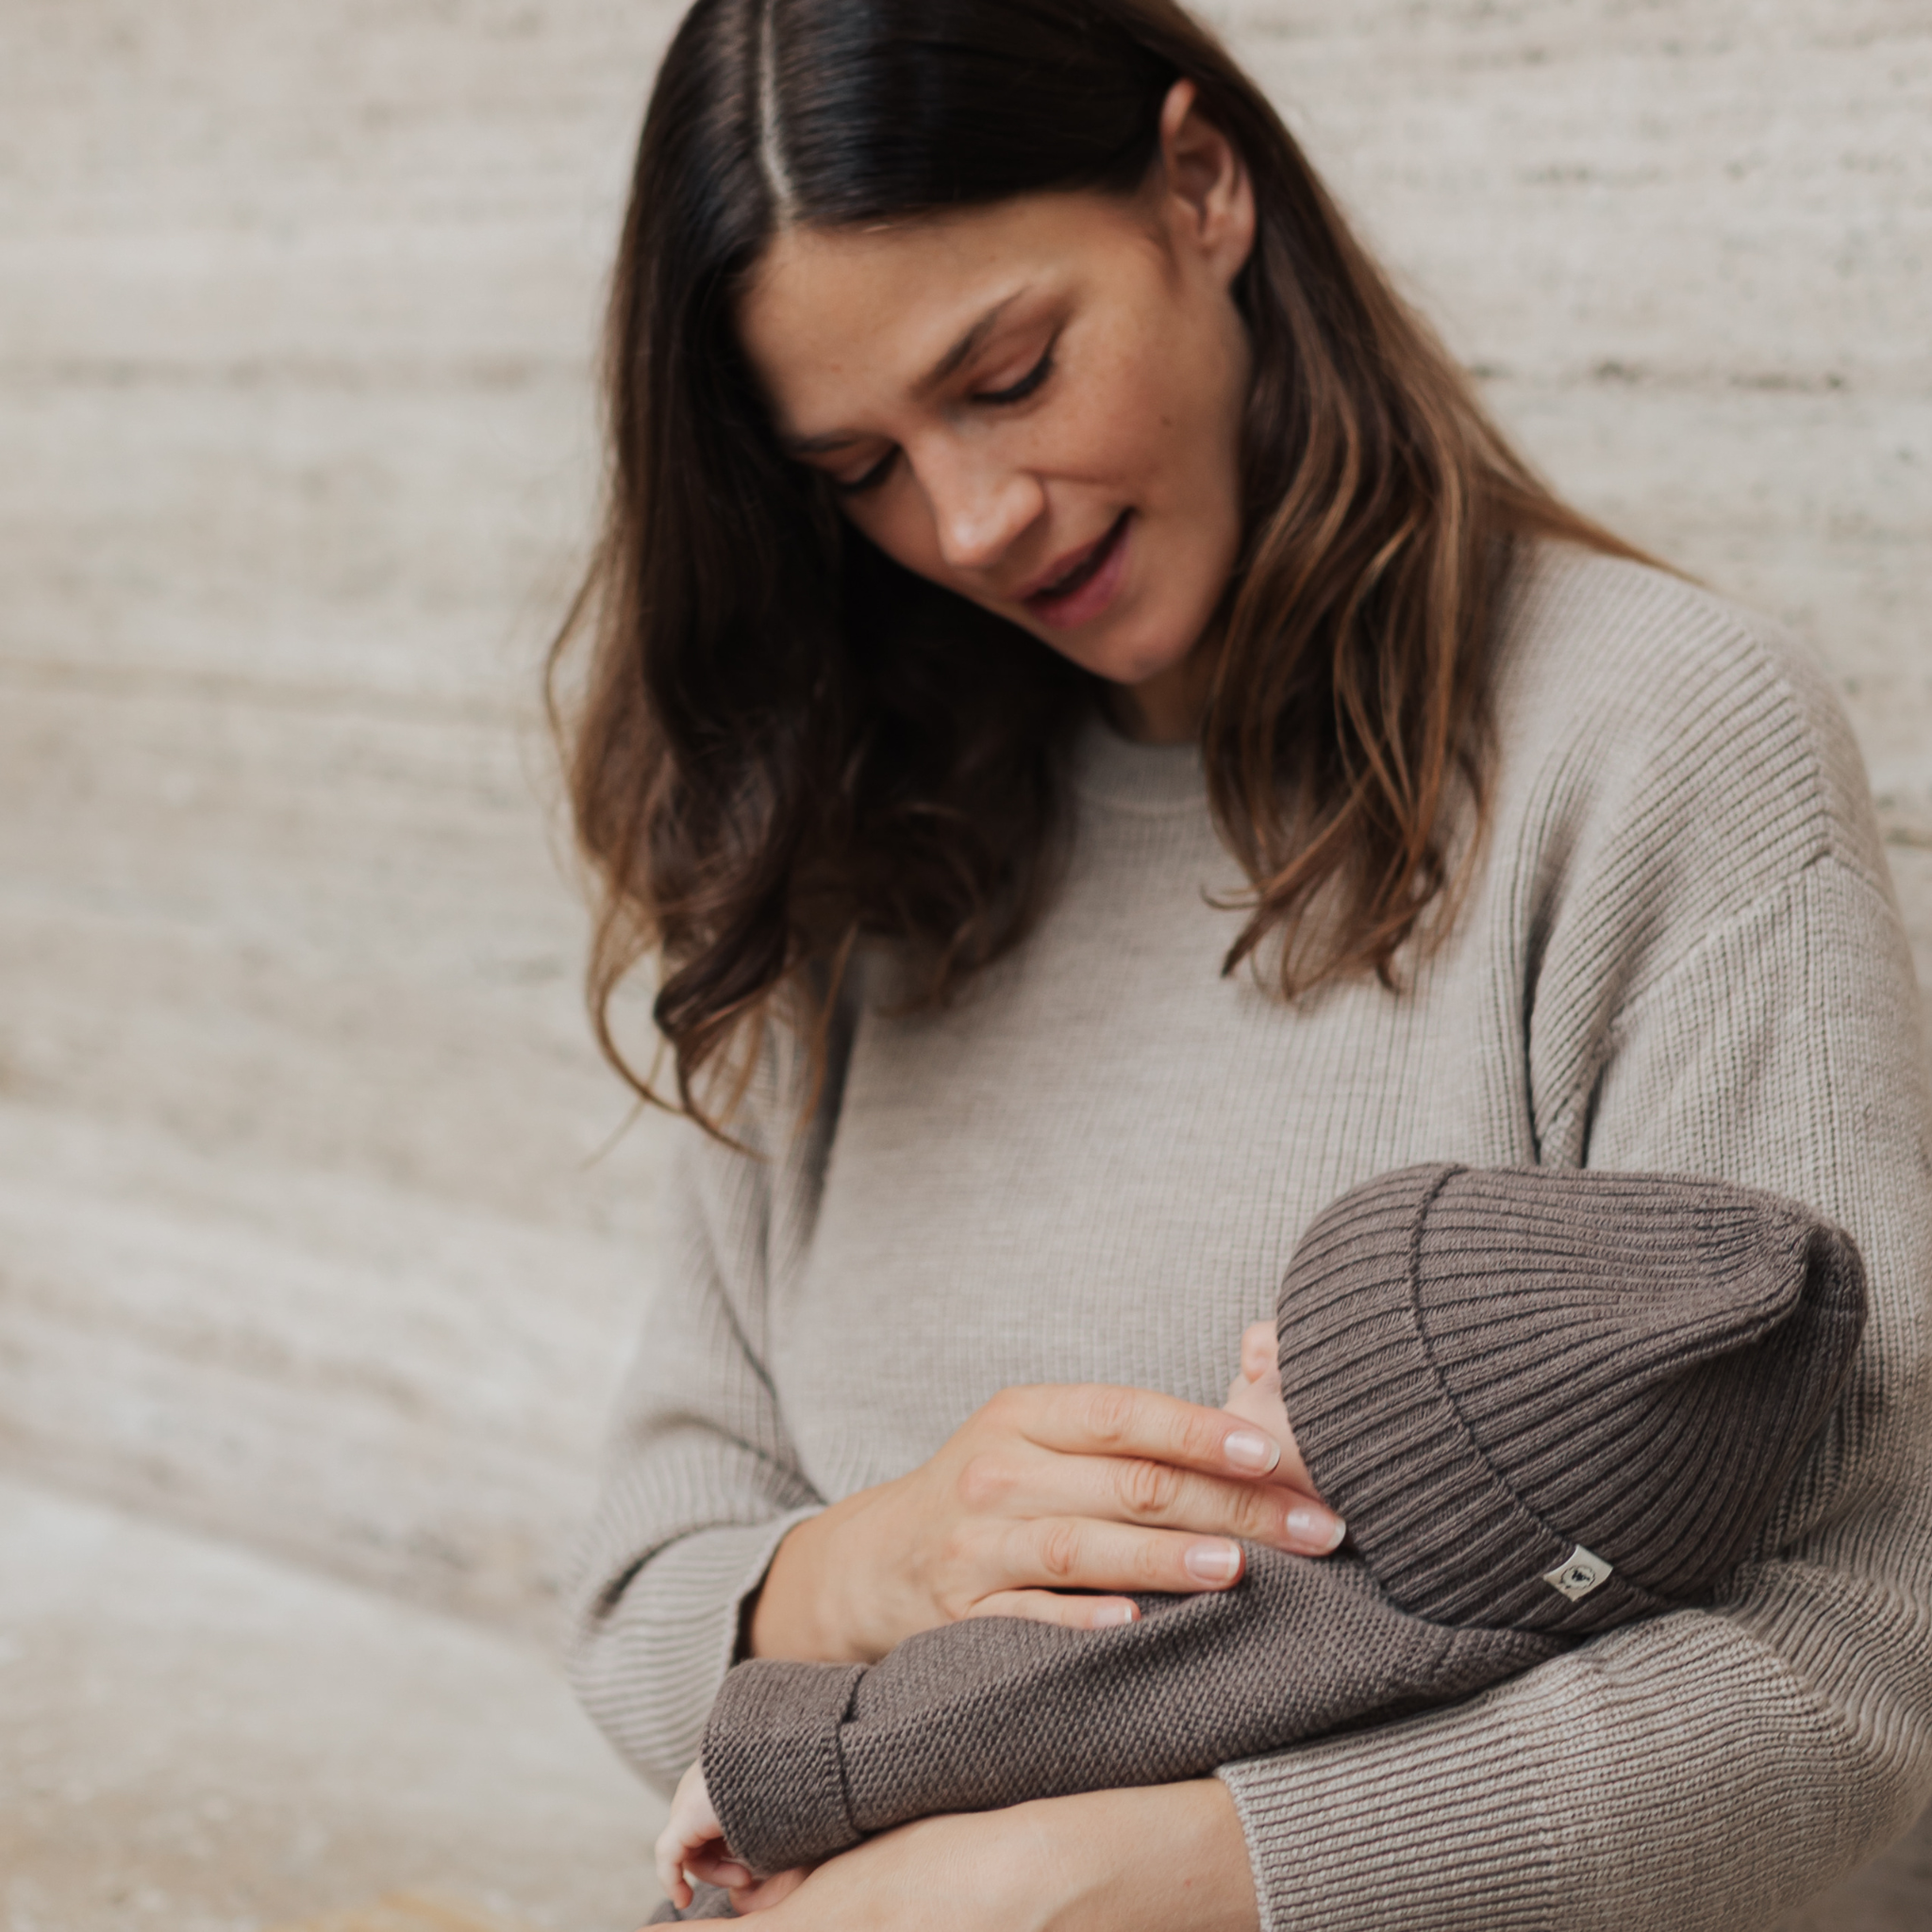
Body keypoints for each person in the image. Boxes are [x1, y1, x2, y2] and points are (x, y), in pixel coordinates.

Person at [553, 1, 1932, 1926]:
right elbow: (641, 1599)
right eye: (856, 467)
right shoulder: (860, 839)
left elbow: (1851, 1670)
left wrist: (1143, 1881)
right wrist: (879, 1558)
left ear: (1202, 189)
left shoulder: (1653, 746)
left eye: (1010, 373)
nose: (965, 521)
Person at [650, 1163, 1869, 1917]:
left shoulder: (1263, 1609)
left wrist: (764, 1767)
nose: (1250, 1345)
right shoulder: (1513, 1622)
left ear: (1420, 1492)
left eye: (1310, 1371)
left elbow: (995, 1702)